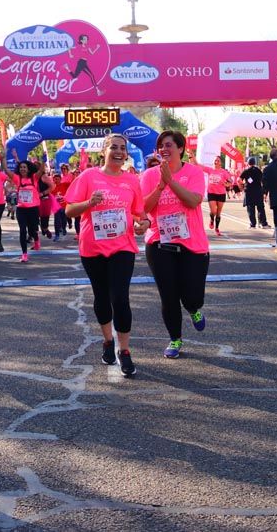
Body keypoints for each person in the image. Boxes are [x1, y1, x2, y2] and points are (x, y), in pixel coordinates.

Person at [65, 134, 150, 377]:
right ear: (104, 151)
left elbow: (139, 214)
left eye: (123, 148)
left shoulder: (132, 180)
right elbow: (70, 210)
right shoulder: (88, 177)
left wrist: (143, 223)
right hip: (93, 247)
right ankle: (107, 341)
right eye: (113, 147)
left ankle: (124, 350)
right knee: (101, 297)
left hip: (122, 246)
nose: (119, 152)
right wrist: (89, 203)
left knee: (120, 298)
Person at [141, 131, 210, 360]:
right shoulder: (149, 175)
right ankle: (175, 338)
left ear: (181, 149)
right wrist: (161, 185)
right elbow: (144, 208)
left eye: (169, 145)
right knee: (168, 296)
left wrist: (171, 181)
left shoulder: (194, 172)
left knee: (191, 296)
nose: (164, 149)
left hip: (192, 243)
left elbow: (193, 201)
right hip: (159, 244)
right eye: (160, 145)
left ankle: (193, 308)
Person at [4, 149, 41, 262]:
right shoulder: (17, 178)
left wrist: (43, 161)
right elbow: (6, 170)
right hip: (21, 209)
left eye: (25, 167)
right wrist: (3, 159)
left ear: (28, 169)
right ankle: (24, 254)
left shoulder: (34, 178)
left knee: (32, 229)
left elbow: (41, 170)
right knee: (22, 231)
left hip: (33, 209)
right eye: (21, 167)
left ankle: (36, 239)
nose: (23, 169)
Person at [205, 157, 232, 235]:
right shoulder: (210, 170)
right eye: (215, 160)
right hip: (211, 193)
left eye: (218, 161)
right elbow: (198, 165)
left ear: (221, 163)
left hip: (221, 194)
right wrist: (191, 156)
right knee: (213, 210)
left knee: (218, 212)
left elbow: (230, 181)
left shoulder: (224, 172)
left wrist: (226, 184)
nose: (216, 162)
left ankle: (217, 228)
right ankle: (211, 220)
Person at [240, 157, 268, 229]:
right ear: (254, 163)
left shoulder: (246, 171)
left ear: (248, 163)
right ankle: (263, 223)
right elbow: (263, 181)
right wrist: (264, 191)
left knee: (250, 208)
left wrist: (242, 186)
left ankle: (253, 224)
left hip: (249, 191)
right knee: (260, 208)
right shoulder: (259, 170)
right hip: (258, 191)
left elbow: (238, 180)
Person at [38, 165, 59, 241]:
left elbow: (52, 186)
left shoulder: (44, 177)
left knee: (44, 217)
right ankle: (33, 234)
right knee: (34, 217)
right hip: (34, 200)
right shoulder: (32, 176)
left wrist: (43, 193)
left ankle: (45, 229)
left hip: (44, 199)